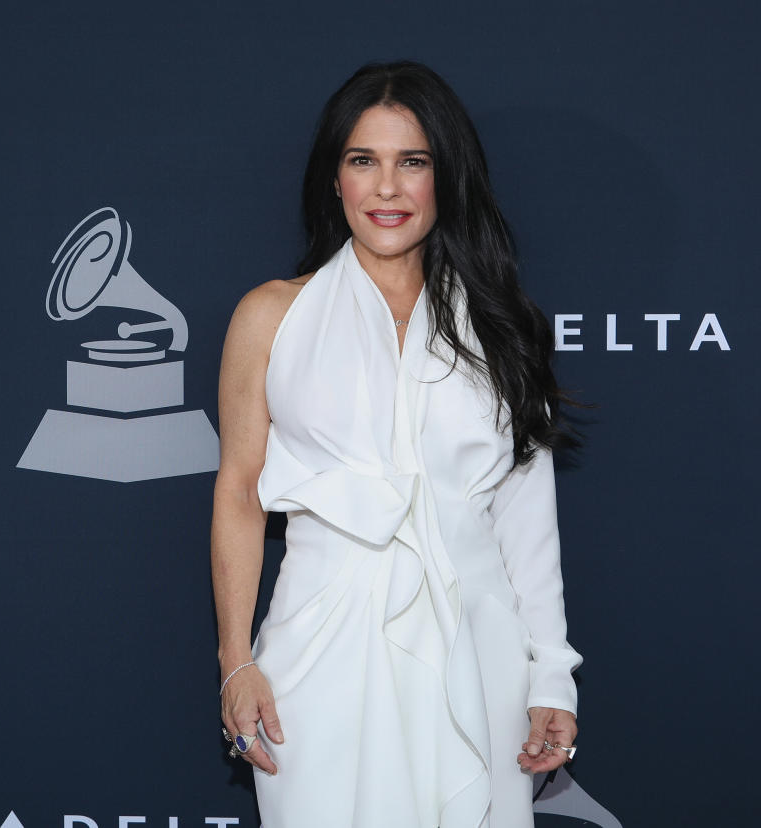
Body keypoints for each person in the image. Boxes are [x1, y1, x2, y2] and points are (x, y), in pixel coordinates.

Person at [210, 61, 583, 828]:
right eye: (363, 161)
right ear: (335, 180)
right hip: (319, 648)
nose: (387, 188)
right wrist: (234, 661)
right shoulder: (271, 317)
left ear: (446, 178)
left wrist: (553, 677)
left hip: (479, 650)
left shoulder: (502, 327)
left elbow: (524, 514)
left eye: (412, 162)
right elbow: (241, 491)